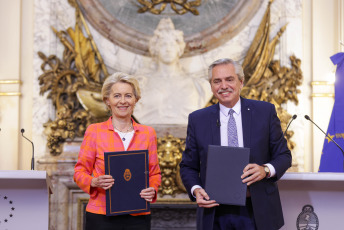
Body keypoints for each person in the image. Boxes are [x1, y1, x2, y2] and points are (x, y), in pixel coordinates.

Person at [179, 58, 292, 230]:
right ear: (211, 86)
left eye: (229, 79)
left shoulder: (265, 111)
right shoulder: (198, 119)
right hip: (214, 212)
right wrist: (195, 190)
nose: (223, 86)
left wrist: (265, 170)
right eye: (217, 81)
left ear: (241, 81)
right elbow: (188, 166)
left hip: (258, 209)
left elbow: (284, 156)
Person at [74, 72, 161, 230]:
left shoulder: (148, 133)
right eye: (117, 96)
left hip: (138, 216)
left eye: (128, 96)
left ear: (136, 100)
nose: (123, 101)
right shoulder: (94, 131)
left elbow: (154, 173)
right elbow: (79, 172)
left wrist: (153, 190)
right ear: (108, 101)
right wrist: (93, 182)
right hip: (101, 215)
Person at [134, 18, 212, 125]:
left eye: (171, 44)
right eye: (163, 45)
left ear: (179, 49)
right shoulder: (140, 84)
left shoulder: (200, 86)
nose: (168, 49)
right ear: (156, 49)